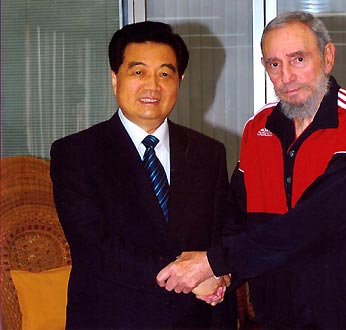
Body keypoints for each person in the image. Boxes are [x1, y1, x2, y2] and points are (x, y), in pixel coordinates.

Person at [157, 11, 346, 329]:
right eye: (274, 64)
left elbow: (319, 219)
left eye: (298, 59)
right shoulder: (257, 128)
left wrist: (213, 262)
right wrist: (224, 275)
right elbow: (237, 215)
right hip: (279, 317)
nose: (287, 77)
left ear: (328, 56)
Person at [50, 21, 236, 329]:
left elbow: (226, 231)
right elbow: (93, 246)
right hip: (113, 318)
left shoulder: (208, 152)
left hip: (197, 317)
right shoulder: (76, 153)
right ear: (115, 78)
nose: (152, 86)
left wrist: (221, 272)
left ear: (181, 80)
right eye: (138, 72)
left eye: (165, 73)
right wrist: (190, 276)